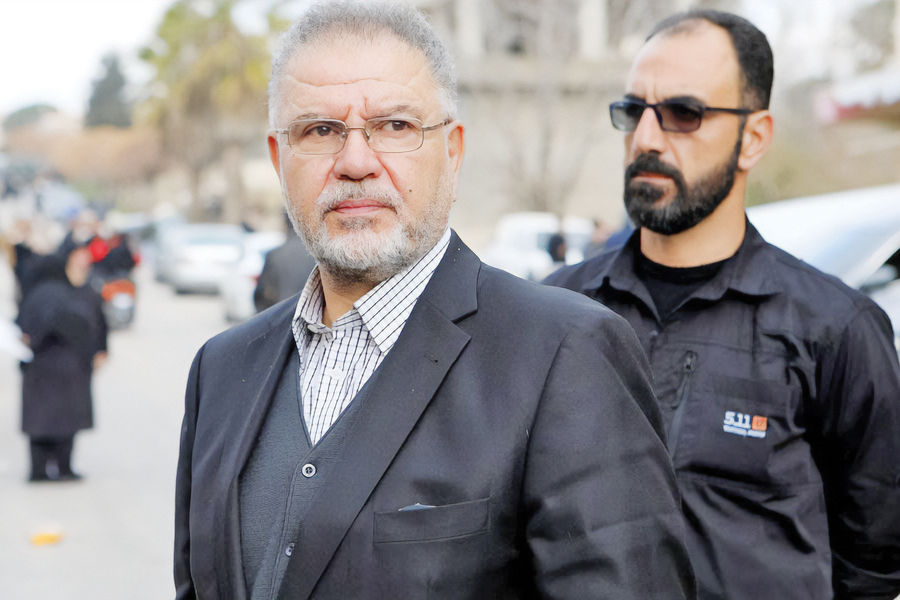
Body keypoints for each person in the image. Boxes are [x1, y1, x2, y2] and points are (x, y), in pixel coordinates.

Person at [174, 2, 695, 599]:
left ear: (452, 150)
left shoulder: (564, 358)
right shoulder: (221, 371)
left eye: (395, 126)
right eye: (320, 131)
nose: (355, 163)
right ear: (278, 157)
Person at [545, 10, 900, 599]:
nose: (646, 138)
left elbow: (875, 561)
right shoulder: (557, 311)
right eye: (633, 111)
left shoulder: (836, 330)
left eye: (683, 113)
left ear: (753, 138)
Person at [17, 240, 108, 482]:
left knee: (37, 422)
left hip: (38, 367)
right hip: (69, 366)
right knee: (67, 421)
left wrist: (31, 341)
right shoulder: (69, 294)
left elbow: (24, 328)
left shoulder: (33, 295)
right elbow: (85, 327)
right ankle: (64, 468)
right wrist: (92, 353)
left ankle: (38, 470)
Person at [253, 213, 317, 313]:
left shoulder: (275, 254)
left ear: (285, 224)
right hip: (313, 313)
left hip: (282, 314)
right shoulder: (318, 255)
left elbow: (261, 294)